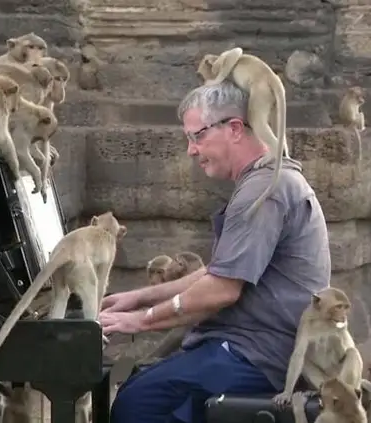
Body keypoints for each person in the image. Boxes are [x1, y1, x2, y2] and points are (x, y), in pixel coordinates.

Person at [100, 80, 331, 423]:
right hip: (248, 347)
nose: (191, 150)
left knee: (139, 403)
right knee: (141, 383)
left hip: (259, 355)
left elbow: (221, 290)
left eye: (197, 136)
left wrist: (140, 321)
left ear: (235, 128)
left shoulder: (264, 191)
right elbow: (220, 270)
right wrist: (140, 297)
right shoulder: (266, 180)